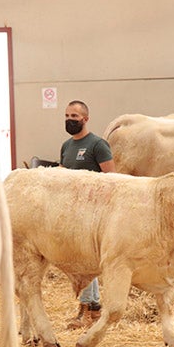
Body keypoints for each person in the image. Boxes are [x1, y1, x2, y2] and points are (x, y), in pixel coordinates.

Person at [60, 100, 115, 329]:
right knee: (81, 260)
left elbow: (112, 178)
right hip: (72, 212)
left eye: (75, 116)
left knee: (86, 260)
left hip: (93, 213)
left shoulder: (97, 145)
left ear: (85, 119)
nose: (70, 119)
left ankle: (85, 309)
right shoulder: (66, 146)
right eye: (67, 115)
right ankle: (93, 308)